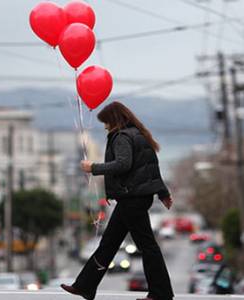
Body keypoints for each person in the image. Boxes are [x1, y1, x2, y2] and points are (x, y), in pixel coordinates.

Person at [61, 101, 174, 300]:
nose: (104, 126)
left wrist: (93, 168)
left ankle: (161, 293)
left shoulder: (122, 136)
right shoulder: (138, 134)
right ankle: (85, 286)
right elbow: (151, 168)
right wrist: (162, 192)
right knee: (109, 244)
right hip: (135, 198)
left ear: (114, 120)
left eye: (105, 122)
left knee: (146, 246)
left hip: (132, 198)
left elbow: (123, 164)